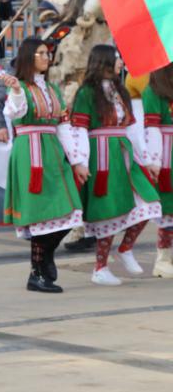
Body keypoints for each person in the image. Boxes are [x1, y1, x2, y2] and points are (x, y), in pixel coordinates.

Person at [70, 45, 162, 286]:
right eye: (117, 59)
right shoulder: (86, 93)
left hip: (123, 154)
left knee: (151, 201)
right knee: (107, 211)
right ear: (104, 62)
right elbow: (79, 128)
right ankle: (100, 268)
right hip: (101, 156)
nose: (121, 62)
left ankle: (125, 248)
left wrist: (146, 160)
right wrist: (79, 161)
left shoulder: (119, 90)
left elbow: (132, 128)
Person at [2, 39, 83, 292]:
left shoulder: (51, 89)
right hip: (31, 154)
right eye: (41, 54)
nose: (47, 58)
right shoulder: (20, 88)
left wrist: (77, 160)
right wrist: (15, 90)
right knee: (39, 213)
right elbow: (14, 113)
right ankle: (37, 272)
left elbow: (64, 126)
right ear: (29, 57)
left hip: (52, 154)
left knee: (71, 212)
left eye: (48, 54)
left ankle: (45, 258)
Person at [141, 63, 173, 277]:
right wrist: (155, 160)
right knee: (168, 208)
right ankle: (163, 258)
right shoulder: (152, 91)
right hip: (166, 154)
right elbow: (152, 129)